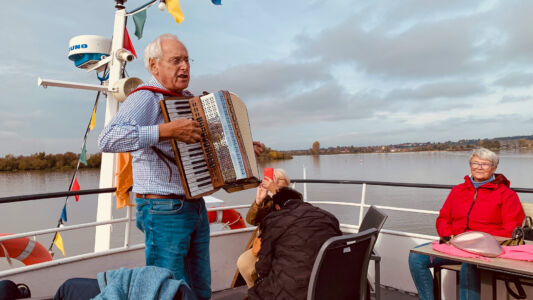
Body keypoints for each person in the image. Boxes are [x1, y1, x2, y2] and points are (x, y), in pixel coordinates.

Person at [98, 33, 261, 300]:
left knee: (199, 287)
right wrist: (165, 130)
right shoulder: (145, 98)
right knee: (166, 289)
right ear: (154, 66)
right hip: (162, 209)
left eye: (186, 60)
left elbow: (205, 147)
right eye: (175, 61)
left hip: (194, 204)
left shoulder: (186, 100)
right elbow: (108, 139)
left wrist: (242, 148)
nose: (184, 67)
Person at [408, 147, 525, 300]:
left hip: (485, 250)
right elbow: (443, 218)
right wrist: (448, 236)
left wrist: (481, 243)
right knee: (416, 256)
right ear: (470, 165)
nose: (479, 167)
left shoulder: (506, 195)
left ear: (494, 168)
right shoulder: (458, 190)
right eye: (475, 163)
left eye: (485, 164)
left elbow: (510, 229)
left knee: (468, 266)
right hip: (455, 245)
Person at [247, 187, 342, 300]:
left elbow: (263, 267)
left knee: (255, 291)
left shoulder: (274, 220)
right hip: (332, 286)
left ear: (277, 207)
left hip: (292, 291)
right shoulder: (328, 216)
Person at [237, 168, 291, 288]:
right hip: (264, 246)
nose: (274, 181)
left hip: (284, 246)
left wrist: (276, 192)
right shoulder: (267, 200)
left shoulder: (294, 198)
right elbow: (251, 220)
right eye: (272, 178)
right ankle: (256, 291)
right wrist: (258, 201)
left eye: (279, 179)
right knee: (243, 262)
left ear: (287, 183)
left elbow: (290, 215)